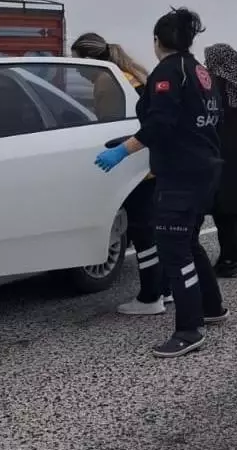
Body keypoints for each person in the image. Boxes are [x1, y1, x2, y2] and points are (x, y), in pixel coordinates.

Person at [92, 8, 228, 358]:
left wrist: (123, 151)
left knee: (172, 248)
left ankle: (189, 329)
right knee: (189, 242)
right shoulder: (199, 71)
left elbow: (161, 124)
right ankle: (212, 307)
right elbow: (193, 120)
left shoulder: (168, 71)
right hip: (205, 167)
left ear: (157, 40)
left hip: (180, 173)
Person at [71, 32, 170, 315]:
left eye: (77, 62)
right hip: (152, 161)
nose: (76, 70)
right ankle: (166, 289)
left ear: (89, 58)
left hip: (135, 163)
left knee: (142, 230)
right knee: (153, 230)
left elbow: (110, 126)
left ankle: (150, 297)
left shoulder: (106, 82)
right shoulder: (128, 75)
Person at [204, 43, 237, 277]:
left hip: (225, 148)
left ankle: (228, 261)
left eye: (209, 60)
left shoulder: (214, 86)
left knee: (223, 205)